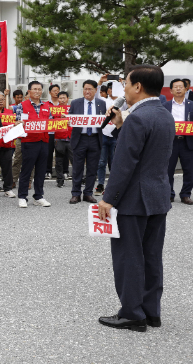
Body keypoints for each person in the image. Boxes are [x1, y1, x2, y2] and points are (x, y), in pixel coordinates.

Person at [96, 64, 174, 332]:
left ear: (138, 87)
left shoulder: (138, 117)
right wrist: (121, 125)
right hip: (157, 196)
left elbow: (124, 163)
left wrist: (108, 198)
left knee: (129, 257)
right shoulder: (163, 114)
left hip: (133, 199)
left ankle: (131, 313)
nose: (124, 89)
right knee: (151, 255)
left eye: (126, 84)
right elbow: (147, 151)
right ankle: (151, 311)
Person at [15, 81, 54, 208]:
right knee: (26, 170)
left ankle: (38, 196)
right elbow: (17, 121)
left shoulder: (46, 106)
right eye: (34, 89)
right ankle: (22, 196)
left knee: (41, 171)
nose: (37, 91)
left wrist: (63, 122)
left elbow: (51, 122)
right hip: (29, 142)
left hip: (43, 141)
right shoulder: (22, 105)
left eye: (39, 89)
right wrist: (19, 123)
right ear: (29, 91)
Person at [69, 80, 107, 204]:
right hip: (80, 138)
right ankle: (75, 194)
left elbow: (104, 121)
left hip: (95, 139)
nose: (87, 91)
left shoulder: (101, 103)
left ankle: (88, 193)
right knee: (77, 168)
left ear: (96, 90)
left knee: (92, 168)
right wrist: (68, 120)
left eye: (90, 89)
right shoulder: (75, 103)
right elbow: (70, 119)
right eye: (85, 89)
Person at [164, 78, 193, 204]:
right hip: (170, 142)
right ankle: (169, 194)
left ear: (186, 89)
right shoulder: (165, 106)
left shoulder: (191, 105)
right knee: (168, 169)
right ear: (171, 90)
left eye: (181, 86)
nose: (178, 89)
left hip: (188, 142)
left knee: (189, 170)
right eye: (175, 87)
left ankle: (185, 194)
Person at [0, 91, 17, 198]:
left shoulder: (9, 112)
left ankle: (8, 188)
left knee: (7, 168)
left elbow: (13, 126)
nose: (1, 101)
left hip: (6, 144)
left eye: (2, 99)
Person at [53, 91, 73, 188]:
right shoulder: (54, 110)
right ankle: (60, 180)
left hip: (71, 137)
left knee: (74, 160)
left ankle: (78, 179)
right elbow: (50, 122)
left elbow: (78, 120)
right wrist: (59, 118)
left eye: (63, 98)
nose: (62, 100)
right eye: (60, 98)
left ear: (67, 98)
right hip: (59, 137)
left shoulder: (72, 109)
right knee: (59, 161)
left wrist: (69, 118)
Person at [45, 84, 60, 179]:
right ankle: (48, 171)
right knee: (49, 152)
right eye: (54, 90)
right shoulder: (46, 104)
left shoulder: (63, 105)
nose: (56, 92)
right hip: (50, 132)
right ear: (50, 92)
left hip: (60, 132)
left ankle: (62, 172)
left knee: (61, 152)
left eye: (57, 90)